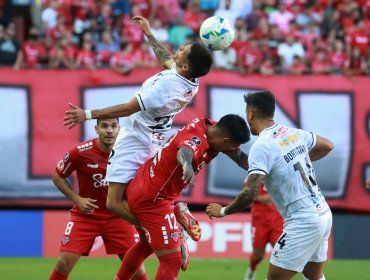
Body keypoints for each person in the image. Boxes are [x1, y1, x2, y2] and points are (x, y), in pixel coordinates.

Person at [63, 16, 213, 241]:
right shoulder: (189, 79)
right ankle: (174, 213)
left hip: (135, 139)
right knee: (142, 196)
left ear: (185, 66)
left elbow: (127, 108)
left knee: (113, 202)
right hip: (153, 140)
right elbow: (167, 60)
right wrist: (149, 33)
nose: (179, 48)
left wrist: (86, 114)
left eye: (183, 50)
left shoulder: (165, 88)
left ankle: (165, 228)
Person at [207, 91, 334, 280]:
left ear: (250, 113)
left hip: (303, 220)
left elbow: (250, 193)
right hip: (323, 214)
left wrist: (223, 211)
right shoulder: (292, 133)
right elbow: (327, 145)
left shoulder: (262, 145)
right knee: (313, 276)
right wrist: (292, 164)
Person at [114, 114, 250, 280]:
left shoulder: (210, 128)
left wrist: (264, 169)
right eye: (233, 146)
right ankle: (175, 222)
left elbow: (240, 158)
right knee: (172, 259)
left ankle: (176, 215)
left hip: (142, 184)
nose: (233, 150)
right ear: (226, 141)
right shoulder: (197, 138)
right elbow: (185, 151)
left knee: (146, 244)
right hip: (153, 200)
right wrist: (187, 165)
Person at [49, 118, 147, 280]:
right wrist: (77, 199)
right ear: (96, 129)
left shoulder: (129, 153)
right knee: (63, 263)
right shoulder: (80, 152)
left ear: (119, 129)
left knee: (137, 270)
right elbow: (57, 176)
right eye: (104, 126)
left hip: (118, 216)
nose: (109, 130)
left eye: (113, 126)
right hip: (86, 217)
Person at [245, 184, 284, 280]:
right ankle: (252, 270)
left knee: (281, 252)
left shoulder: (278, 174)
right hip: (259, 221)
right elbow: (246, 195)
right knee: (258, 255)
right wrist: (260, 198)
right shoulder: (253, 176)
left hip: (277, 221)